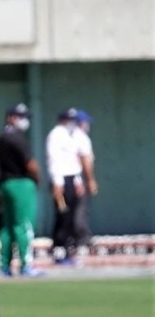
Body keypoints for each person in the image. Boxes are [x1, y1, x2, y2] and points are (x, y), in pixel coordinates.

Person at [0, 103, 41, 276]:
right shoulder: (17, 138)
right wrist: (37, 179)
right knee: (24, 226)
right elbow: (31, 164)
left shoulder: (1, 137)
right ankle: (25, 265)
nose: (24, 121)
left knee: (7, 226)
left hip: (5, 183)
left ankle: (4, 265)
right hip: (21, 183)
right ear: (11, 118)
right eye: (21, 117)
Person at [45, 108, 94, 265]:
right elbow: (54, 160)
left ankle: (68, 249)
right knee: (62, 215)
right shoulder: (56, 135)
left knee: (72, 216)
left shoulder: (73, 135)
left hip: (72, 180)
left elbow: (74, 161)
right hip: (61, 180)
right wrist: (57, 183)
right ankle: (59, 249)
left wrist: (79, 180)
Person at [72, 109, 98, 254]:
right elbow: (84, 161)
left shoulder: (70, 136)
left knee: (75, 211)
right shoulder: (81, 138)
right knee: (80, 211)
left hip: (74, 180)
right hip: (79, 179)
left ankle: (77, 238)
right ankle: (81, 239)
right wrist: (90, 180)